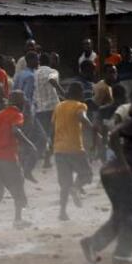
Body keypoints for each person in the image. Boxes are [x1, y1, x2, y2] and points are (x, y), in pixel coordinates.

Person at [81, 93, 132, 264]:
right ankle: (123, 254)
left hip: (114, 173)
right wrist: (124, 163)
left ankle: (92, 244)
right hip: (118, 172)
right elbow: (113, 134)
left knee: (121, 214)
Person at [0, 91, 36, 228]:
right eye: (24, 99)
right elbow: (15, 130)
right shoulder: (17, 114)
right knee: (18, 187)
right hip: (8, 157)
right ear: (20, 102)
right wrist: (29, 144)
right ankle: (18, 220)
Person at [53, 83, 94, 221]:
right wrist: (92, 128)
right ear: (79, 94)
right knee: (87, 174)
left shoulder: (59, 106)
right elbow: (82, 117)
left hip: (59, 149)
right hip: (75, 147)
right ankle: (76, 188)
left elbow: (53, 124)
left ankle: (62, 213)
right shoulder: (80, 105)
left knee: (65, 183)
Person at [34, 53, 63, 167]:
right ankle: (47, 158)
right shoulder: (52, 71)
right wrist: (63, 92)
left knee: (44, 134)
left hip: (39, 109)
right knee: (54, 134)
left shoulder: (34, 73)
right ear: (49, 62)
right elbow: (52, 80)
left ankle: (43, 156)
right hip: (52, 108)